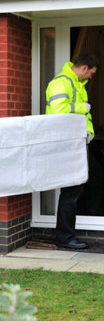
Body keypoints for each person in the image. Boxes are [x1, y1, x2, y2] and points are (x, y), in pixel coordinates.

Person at [46, 53, 99, 250]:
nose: (91, 77)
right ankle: (65, 239)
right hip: (65, 145)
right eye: (91, 73)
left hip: (75, 143)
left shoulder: (76, 84)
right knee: (71, 191)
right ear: (84, 68)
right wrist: (82, 107)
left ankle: (67, 237)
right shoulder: (62, 83)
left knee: (76, 189)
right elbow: (60, 110)